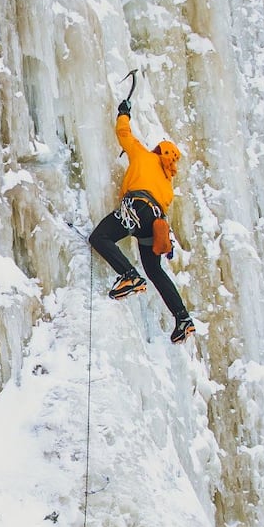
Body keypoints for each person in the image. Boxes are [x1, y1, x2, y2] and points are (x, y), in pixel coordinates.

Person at [90, 98, 195, 343]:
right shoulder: (167, 184)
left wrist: (123, 112)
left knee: (99, 237)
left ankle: (129, 275)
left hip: (137, 208)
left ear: (159, 151)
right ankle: (182, 319)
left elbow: (123, 133)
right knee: (155, 270)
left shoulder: (144, 156)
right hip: (156, 222)